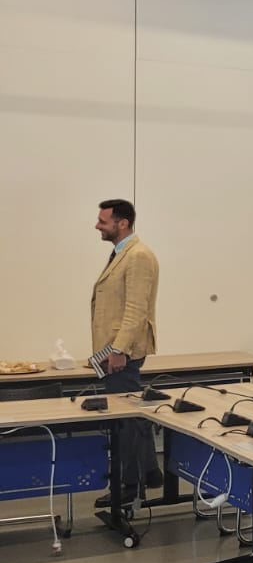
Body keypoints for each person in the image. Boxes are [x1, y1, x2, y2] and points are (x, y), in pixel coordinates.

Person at [91, 198, 161, 503]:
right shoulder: (122, 254)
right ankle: (149, 474)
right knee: (130, 416)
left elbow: (135, 310)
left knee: (125, 421)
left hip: (121, 353)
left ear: (123, 223)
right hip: (112, 351)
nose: (97, 225)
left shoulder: (138, 256)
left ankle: (129, 487)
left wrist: (119, 349)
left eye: (103, 221)